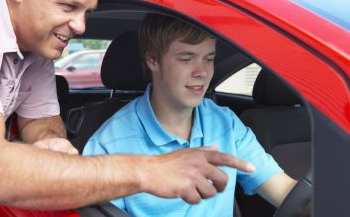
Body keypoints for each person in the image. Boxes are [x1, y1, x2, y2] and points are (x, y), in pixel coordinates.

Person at [0, 0, 256, 216]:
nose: (81, 26)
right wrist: (147, 171)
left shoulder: (38, 45)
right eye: (69, 6)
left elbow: (39, 120)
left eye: (86, 11)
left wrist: (51, 142)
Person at [83, 14, 298, 216]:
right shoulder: (109, 144)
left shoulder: (225, 122)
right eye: (187, 59)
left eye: (209, 58)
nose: (202, 72)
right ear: (153, 60)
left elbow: (285, 191)